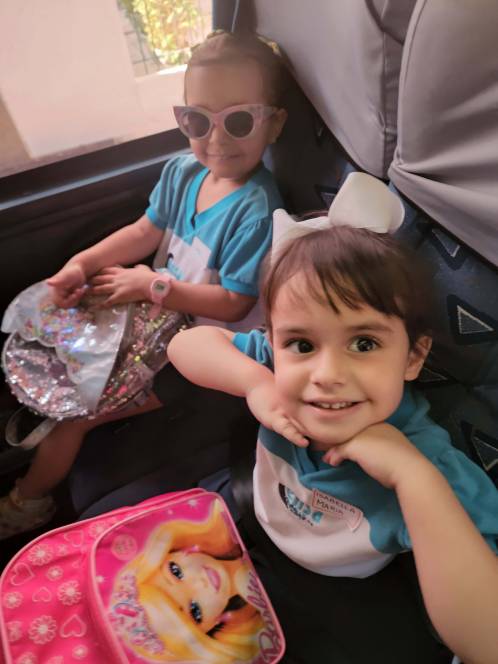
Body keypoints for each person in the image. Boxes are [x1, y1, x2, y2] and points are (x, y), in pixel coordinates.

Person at [168, 173, 498, 664]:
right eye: (302, 344)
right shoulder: (274, 371)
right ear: (274, 342)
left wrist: (411, 477)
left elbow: (486, 640)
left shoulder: (428, 462)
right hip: (252, 526)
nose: (326, 375)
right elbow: (186, 345)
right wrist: (255, 383)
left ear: (412, 357)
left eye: (364, 343)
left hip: (340, 591)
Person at [0, 30, 288, 539]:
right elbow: (143, 232)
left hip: (197, 352)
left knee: (76, 417)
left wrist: (153, 287)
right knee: (65, 330)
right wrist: (81, 265)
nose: (216, 140)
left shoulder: (256, 210)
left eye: (239, 121)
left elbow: (233, 301)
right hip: (154, 316)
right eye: (197, 121)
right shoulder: (183, 171)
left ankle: (29, 502)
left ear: (275, 124)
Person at [110, 498, 267, 662]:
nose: (200, 583)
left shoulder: (219, 512)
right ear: (210, 627)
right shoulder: (266, 611)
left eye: (176, 572)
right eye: (195, 610)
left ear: (171, 552)